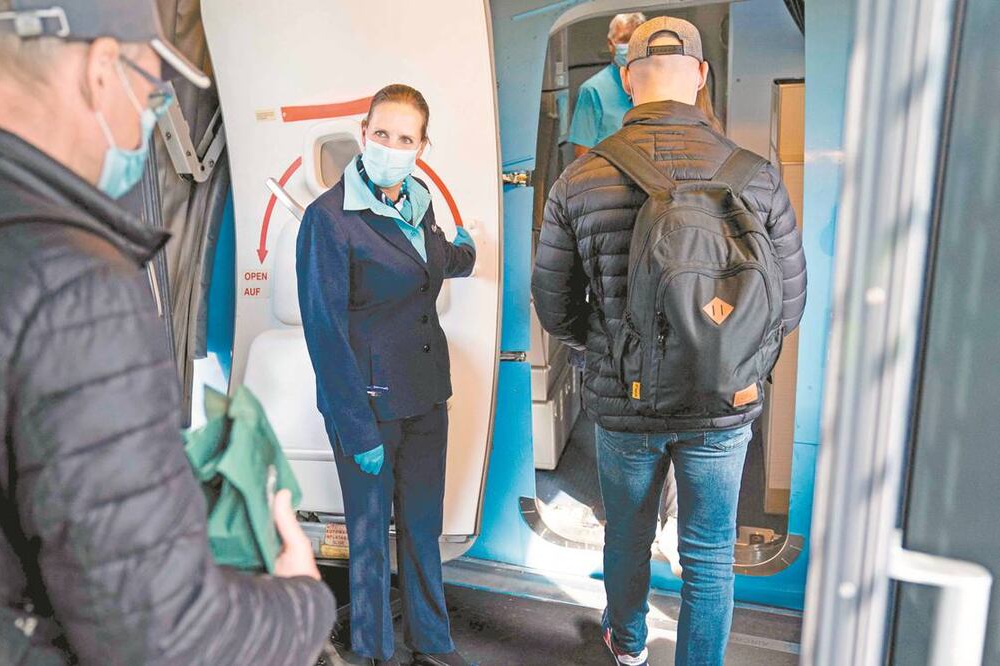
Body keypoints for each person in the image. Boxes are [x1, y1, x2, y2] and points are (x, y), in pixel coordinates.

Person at [0, 1, 335, 664]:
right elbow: (165, 638)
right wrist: (301, 603)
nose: (150, 115)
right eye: (153, 89)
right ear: (102, 68)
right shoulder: (75, 286)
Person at [533, 17, 806, 666]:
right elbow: (786, 303)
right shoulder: (756, 176)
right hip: (721, 403)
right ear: (701, 75)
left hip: (624, 404)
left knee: (626, 536)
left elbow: (553, 304)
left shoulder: (580, 180)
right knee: (708, 553)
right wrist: (740, 365)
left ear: (627, 81)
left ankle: (627, 647)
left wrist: (601, 349)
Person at [296, 85, 476, 666]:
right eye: (382, 134)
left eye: (406, 139)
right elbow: (323, 332)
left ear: (422, 146)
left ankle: (432, 642)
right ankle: (374, 651)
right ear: (363, 130)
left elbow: (437, 258)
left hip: (426, 397)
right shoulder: (329, 220)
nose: (391, 147)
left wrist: (467, 252)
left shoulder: (418, 204)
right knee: (371, 539)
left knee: (423, 531)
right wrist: (356, 429)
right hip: (368, 407)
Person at [568, 12, 647, 157]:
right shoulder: (593, 90)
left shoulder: (656, 85)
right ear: (611, 45)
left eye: (637, 40)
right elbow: (581, 157)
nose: (631, 46)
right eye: (625, 40)